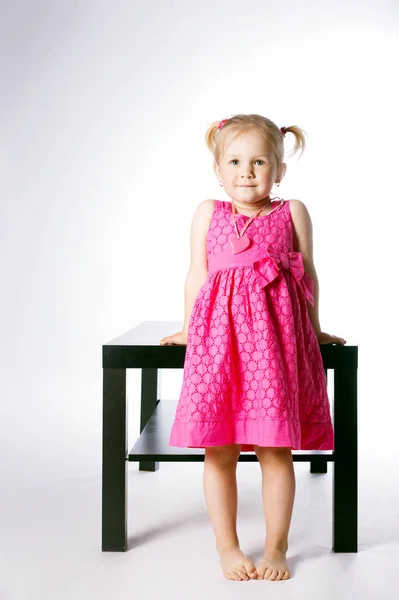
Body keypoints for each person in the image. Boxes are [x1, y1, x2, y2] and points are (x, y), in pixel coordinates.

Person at [160, 113, 346, 582]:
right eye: (236, 162)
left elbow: (308, 277)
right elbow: (196, 274)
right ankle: (227, 547)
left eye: (260, 161)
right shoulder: (209, 212)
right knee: (218, 449)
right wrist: (187, 330)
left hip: (274, 346)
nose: (247, 172)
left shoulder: (292, 212)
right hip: (219, 346)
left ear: (279, 170)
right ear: (219, 170)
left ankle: (278, 547)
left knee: (275, 448)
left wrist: (317, 328)